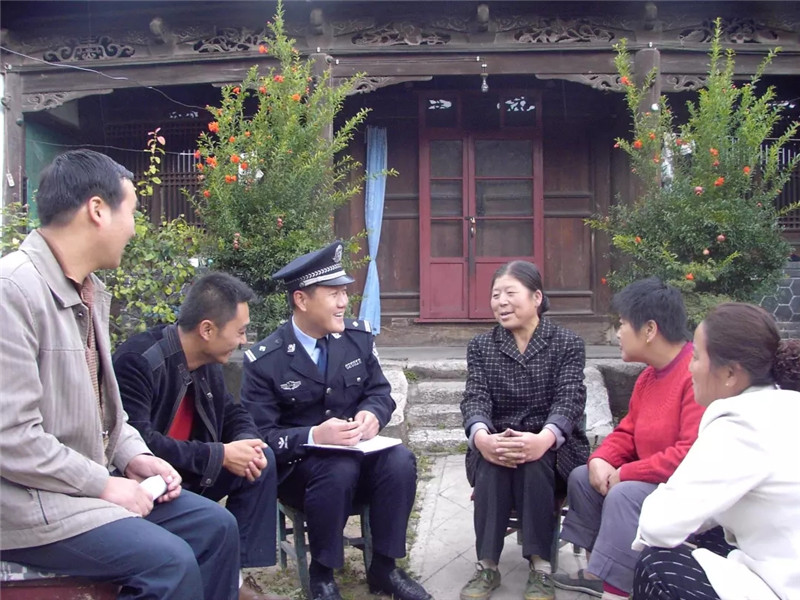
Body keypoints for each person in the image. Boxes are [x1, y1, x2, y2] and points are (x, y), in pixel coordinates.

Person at [0, 150, 242, 599]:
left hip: (80, 488)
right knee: (169, 563)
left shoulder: (88, 291)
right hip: (29, 505)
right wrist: (105, 484)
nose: (133, 228)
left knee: (216, 527)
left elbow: (103, 413)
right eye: (131, 211)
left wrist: (133, 456)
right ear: (97, 210)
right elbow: (11, 438)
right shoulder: (13, 290)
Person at [240, 241, 432, 600]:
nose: (344, 302)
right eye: (334, 294)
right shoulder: (266, 360)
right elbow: (260, 435)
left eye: (345, 292)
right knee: (337, 468)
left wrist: (372, 415)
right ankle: (323, 574)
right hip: (301, 472)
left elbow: (380, 393)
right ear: (301, 300)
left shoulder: (356, 339)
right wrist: (314, 435)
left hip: (359, 459)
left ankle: (385, 568)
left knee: (400, 460)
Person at [113, 272, 288, 600]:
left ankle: (235, 575)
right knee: (219, 518)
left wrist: (246, 443)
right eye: (240, 331)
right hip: (148, 482)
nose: (244, 341)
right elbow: (137, 443)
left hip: (190, 471)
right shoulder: (139, 361)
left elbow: (232, 412)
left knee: (261, 459)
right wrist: (220, 455)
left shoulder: (207, 361)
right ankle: (227, 581)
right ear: (207, 330)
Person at [632, 303, 800, 600]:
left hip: (786, 585)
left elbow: (658, 525)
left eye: (697, 357)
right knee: (711, 536)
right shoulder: (783, 404)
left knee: (657, 565)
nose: (690, 367)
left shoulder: (742, 425)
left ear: (731, 373)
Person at [552, 277, 705, 600]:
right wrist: (601, 459)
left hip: (683, 485)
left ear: (649, 330)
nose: (618, 333)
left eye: (622, 324)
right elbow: (627, 431)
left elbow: (690, 453)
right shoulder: (649, 376)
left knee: (624, 493)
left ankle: (620, 586)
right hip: (650, 477)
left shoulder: (696, 375)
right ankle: (597, 572)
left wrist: (626, 473)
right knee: (582, 476)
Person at [459, 260, 590, 600]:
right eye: (495, 295)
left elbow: (569, 399)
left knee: (534, 463)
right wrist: (482, 438)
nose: (501, 302)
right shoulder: (482, 346)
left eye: (510, 293)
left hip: (552, 447)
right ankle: (487, 565)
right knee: (493, 462)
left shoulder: (567, 343)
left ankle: (541, 567)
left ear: (536, 297)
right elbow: (475, 397)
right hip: (498, 441)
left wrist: (544, 439)